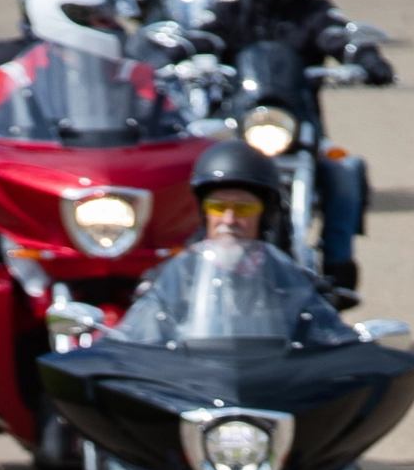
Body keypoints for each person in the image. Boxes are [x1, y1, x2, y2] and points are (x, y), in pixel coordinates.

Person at [0, 0, 178, 378]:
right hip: (39, 204)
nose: (111, 28)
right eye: (98, 18)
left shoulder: (140, 75)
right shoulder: (7, 70)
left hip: (113, 203)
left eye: (111, 18)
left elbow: (172, 122)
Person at [166, 0, 394, 300]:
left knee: (345, 169)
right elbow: (205, 35)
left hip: (299, 126)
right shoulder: (232, 6)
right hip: (237, 125)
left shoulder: (312, 10)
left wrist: (366, 57)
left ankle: (338, 261)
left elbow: (338, 35)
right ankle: (180, 259)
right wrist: (184, 51)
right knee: (185, 166)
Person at [114, 139, 361, 343]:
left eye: (243, 208)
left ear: (264, 214)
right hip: (187, 391)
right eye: (218, 206)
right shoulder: (171, 279)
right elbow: (134, 347)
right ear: (203, 212)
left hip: (275, 391)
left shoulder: (293, 282)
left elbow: (334, 344)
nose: (229, 219)